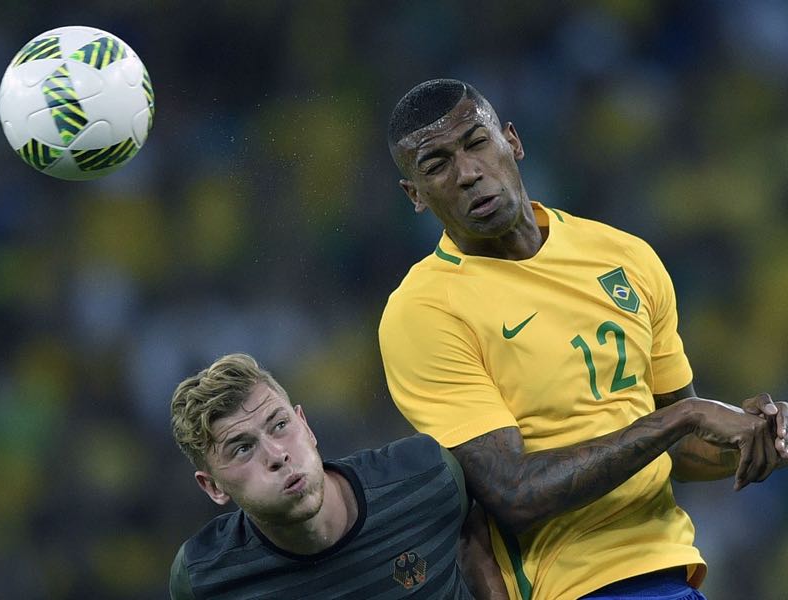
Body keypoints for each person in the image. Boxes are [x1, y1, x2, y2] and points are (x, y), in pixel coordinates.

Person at [378, 78, 788, 600]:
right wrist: (682, 416)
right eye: (436, 165)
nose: (467, 174)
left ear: (512, 141)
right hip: (574, 587)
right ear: (415, 195)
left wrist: (759, 438)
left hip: (677, 573)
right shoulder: (425, 310)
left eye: (476, 143)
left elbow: (683, 450)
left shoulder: (624, 254)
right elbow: (512, 492)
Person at [168, 352, 509, 599]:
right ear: (213, 487)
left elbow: (481, 533)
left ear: (305, 425)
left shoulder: (427, 474)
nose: (277, 455)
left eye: (280, 425)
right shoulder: (203, 578)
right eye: (242, 448)